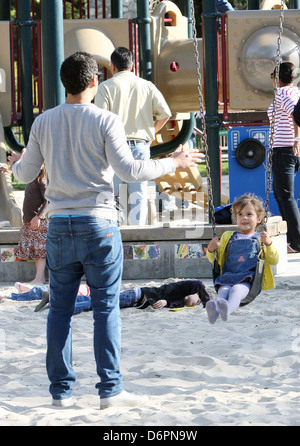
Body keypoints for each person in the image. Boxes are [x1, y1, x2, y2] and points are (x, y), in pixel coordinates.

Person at [8, 51, 202, 409]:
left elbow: (24, 174)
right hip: (99, 223)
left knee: (60, 310)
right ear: (94, 82)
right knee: (105, 309)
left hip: (60, 225)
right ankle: (109, 389)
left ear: (63, 83)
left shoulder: (43, 122)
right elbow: (129, 171)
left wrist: (17, 163)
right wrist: (171, 162)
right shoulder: (106, 121)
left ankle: (61, 392)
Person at [95, 47, 172, 226]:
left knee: (113, 192)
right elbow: (165, 113)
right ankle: (137, 236)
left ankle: (114, 229)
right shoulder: (147, 86)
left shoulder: (105, 87)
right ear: (132, 65)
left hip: (115, 145)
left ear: (112, 66)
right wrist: (151, 131)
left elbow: (99, 120)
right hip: (140, 145)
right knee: (139, 194)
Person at [206, 194, 279, 324]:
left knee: (236, 290)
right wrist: (211, 249)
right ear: (235, 218)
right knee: (223, 291)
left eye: (249, 214)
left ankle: (226, 311)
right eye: (239, 214)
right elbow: (214, 260)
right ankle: (214, 311)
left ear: (259, 219)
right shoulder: (228, 236)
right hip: (228, 276)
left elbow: (274, 260)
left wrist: (269, 244)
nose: (244, 217)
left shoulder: (260, 238)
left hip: (248, 280)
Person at [0, 279, 210, 313]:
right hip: (135, 296)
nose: (194, 301)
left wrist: (166, 304)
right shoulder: (184, 287)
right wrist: (208, 302)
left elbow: (180, 302)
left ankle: (53, 299)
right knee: (94, 304)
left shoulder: (177, 302)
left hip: (133, 300)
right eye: (196, 299)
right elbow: (198, 285)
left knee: (94, 303)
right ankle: (60, 305)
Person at [268, 62, 300, 253]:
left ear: (277, 78)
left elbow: (296, 113)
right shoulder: (296, 92)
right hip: (290, 149)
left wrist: (297, 138)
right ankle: (291, 240)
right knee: (282, 194)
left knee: (285, 196)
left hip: (284, 148)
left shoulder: (282, 93)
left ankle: (296, 242)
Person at [1, 161, 47, 288]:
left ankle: (40, 278)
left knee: (40, 250)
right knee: (35, 250)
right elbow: (20, 173)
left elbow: (47, 200)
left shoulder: (41, 181)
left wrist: (38, 216)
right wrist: (8, 170)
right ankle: (38, 278)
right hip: (29, 221)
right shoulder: (32, 180)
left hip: (37, 221)